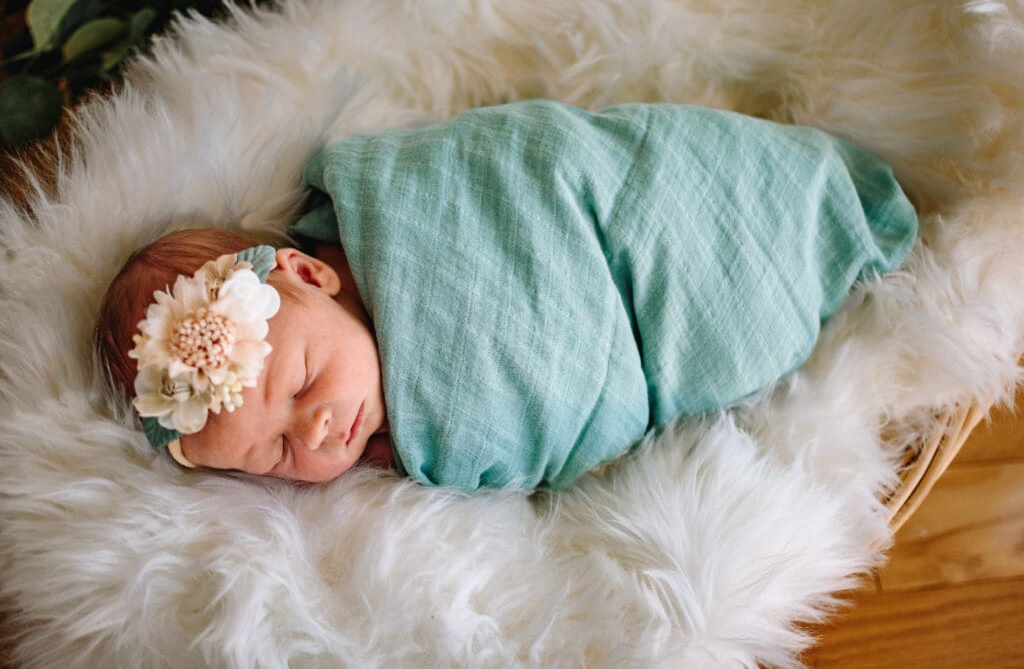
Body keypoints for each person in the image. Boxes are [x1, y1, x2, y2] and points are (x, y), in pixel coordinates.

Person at [96, 100, 918, 491]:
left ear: (313, 273)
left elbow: (532, 161)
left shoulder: (399, 202)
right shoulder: (412, 461)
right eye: (276, 455)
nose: (312, 428)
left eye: (305, 381)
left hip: (634, 220)